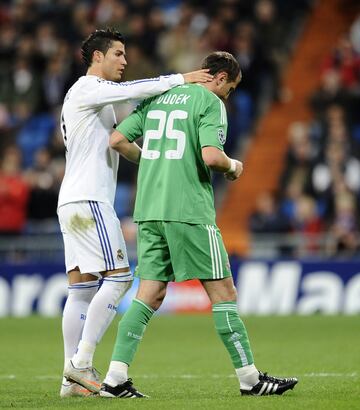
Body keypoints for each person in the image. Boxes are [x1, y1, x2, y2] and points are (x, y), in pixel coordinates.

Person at [98, 51, 297, 398]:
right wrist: (234, 166)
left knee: (150, 292)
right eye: (230, 89)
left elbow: (116, 140)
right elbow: (211, 156)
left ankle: (115, 378)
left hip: (148, 209)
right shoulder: (209, 100)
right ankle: (250, 379)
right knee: (224, 292)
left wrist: (150, 160)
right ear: (219, 78)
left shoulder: (158, 96)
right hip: (188, 209)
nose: (228, 96)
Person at [58, 27, 212, 398]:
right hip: (90, 200)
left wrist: (153, 161)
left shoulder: (91, 99)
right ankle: (80, 363)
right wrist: (182, 79)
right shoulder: (88, 89)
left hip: (72, 202)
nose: (124, 61)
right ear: (98, 57)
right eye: (118, 54)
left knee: (81, 289)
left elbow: (119, 144)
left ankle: (70, 381)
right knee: (120, 278)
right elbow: (134, 91)